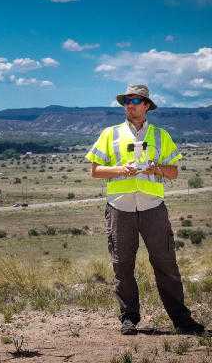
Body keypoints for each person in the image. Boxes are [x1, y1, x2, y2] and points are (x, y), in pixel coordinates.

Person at [85, 84, 205, 336]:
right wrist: (121, 170)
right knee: (122, 265)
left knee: (166, 264)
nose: (130, 104)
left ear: (147, 105)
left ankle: (182, 321)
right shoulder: (110, 134)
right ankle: (129, 318)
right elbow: (95, 171)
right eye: (127, 100)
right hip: (120, 208)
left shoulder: (161, 135)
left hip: (153, 208)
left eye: (136, 100)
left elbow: (173, 172)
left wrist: (155, 169)